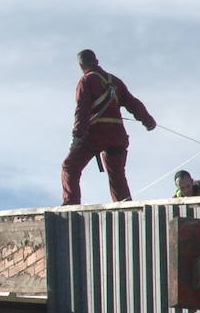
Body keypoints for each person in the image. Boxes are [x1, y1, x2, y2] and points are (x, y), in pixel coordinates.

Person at [61, 49, 156, 205]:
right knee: (117, 174)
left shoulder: (86, 81)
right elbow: (133, 103)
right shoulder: (115, 81)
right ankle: (124, 205)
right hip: (118, 135)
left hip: (97, 134)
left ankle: (71, 203)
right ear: (96, 61)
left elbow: (82, 111)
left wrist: (77, 136)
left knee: (70, 166)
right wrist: (148, 121)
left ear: (81, 65)